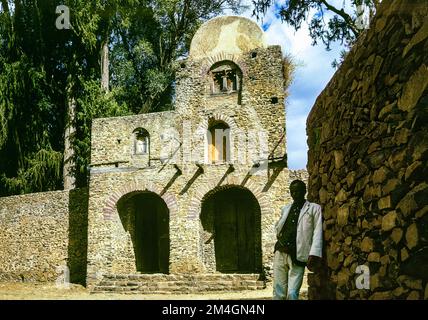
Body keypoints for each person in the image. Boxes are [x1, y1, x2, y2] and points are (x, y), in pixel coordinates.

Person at [273, 179, 323, 300]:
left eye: (298, 191)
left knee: (292, 292)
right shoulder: (286, 208)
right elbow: (279, 227)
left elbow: (317, 231)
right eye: (292, 191)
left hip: (298, 253)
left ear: (304, 191)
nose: (295, 194)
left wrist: (314, 253)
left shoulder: (313, 208)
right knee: (279, 290)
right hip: (280, 250)